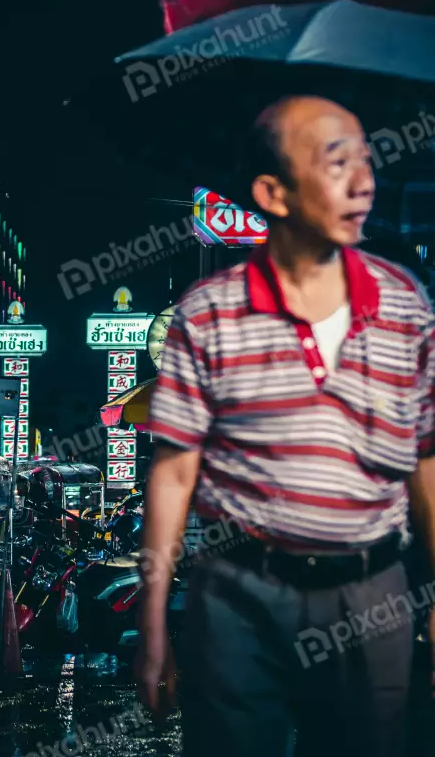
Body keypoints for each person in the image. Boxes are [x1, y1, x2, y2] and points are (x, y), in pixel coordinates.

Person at [136, 96, 435, 757]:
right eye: (337, 164)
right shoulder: (208, 314)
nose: (363, 183)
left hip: (373, 592)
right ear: (272, 192)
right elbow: (175, 470)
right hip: (240, 593)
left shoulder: (405, 306)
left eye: (365, 161)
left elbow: (426, 461)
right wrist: (154, 620)